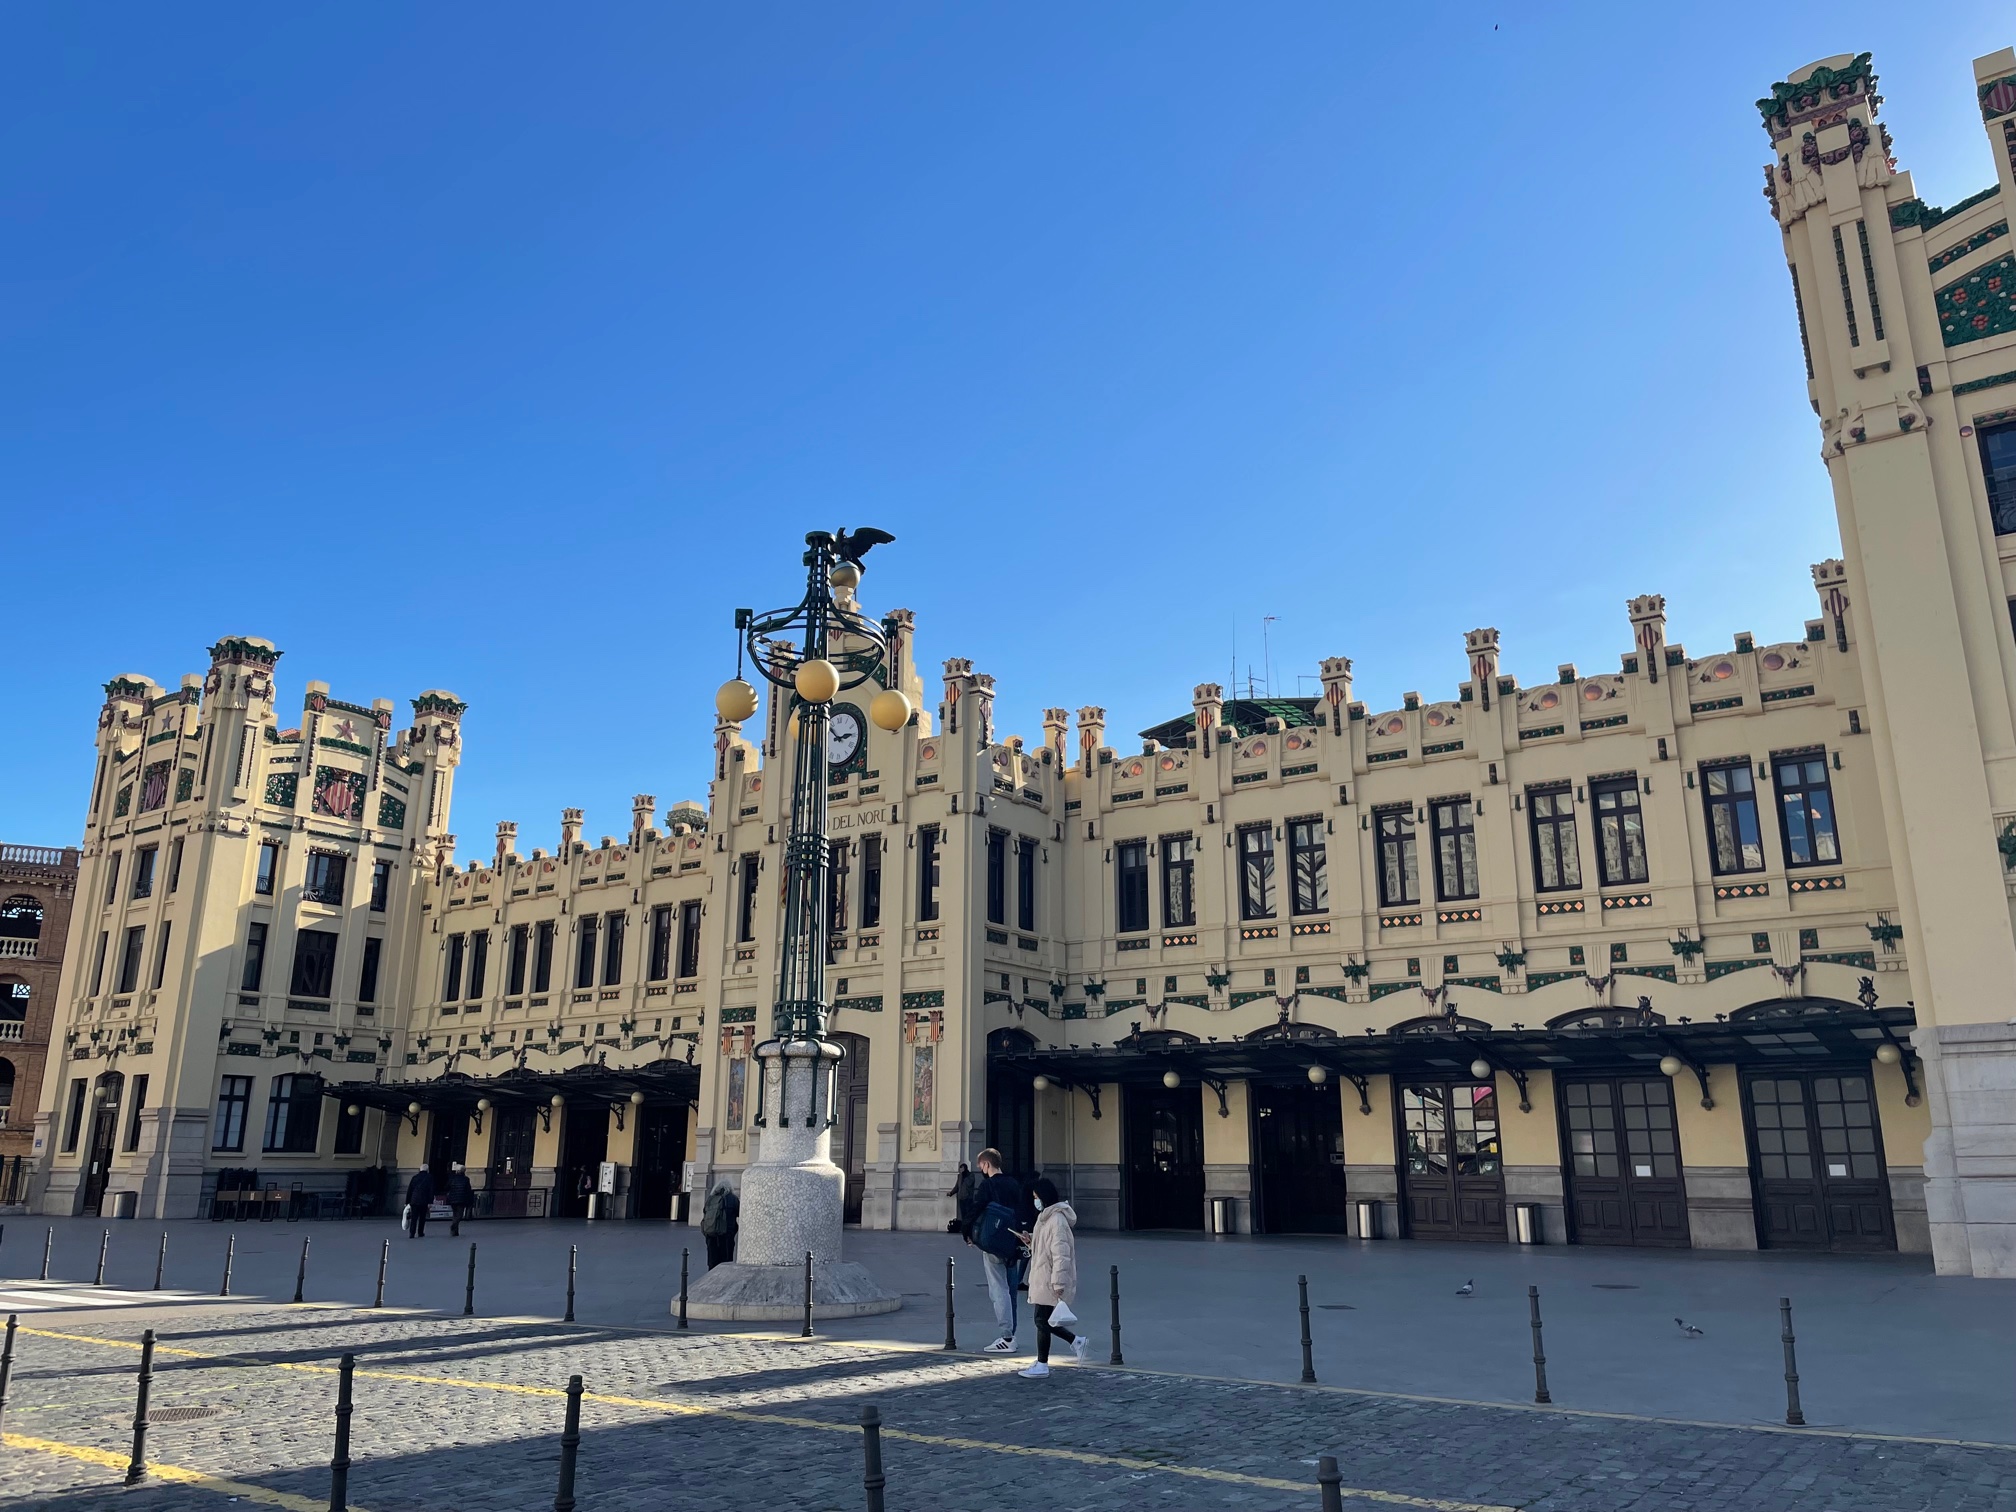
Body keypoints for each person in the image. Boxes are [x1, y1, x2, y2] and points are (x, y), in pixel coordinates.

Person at [1017, 1177, 1089, 1379]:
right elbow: (1045, 1249)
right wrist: (1030, 1240)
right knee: (1044, 1320)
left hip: (1048, 1278)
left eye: (1036, 1197)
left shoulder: (1056, 1220)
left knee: (1042, 1321)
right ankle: (1073, 1343)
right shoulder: (1045, 1218)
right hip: (1043, 1275)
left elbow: (1061, 1254)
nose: (1035, 1201)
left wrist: (1058, 1283)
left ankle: (1044, 1362)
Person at [963, 1148, 1024, 1353]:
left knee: (998, 1289)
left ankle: (1006, 1336)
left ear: (987, 1165)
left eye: (981, 1165)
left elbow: (976, 1208)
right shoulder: (1014, 1183)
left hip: (993, 1242)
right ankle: (1012, 1334)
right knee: (1011, 1289)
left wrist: (967, 1232)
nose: (980, 1169)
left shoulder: (988, 1185)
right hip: (1013, 1243)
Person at [700, 1180, 740, 1268]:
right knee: (726, 1259)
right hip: (726, 1233)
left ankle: (711, 1278)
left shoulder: (711, 1198)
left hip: (711, 1233)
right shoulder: (732, 1198)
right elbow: (739, 1212)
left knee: (712, 1259)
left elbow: (704, 1212)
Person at [445, 1162, 475, 1237]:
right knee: (459, 1215)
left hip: (452, 1198)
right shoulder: (466, 1179)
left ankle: (455, 1231)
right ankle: (454, 1226)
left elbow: (447, 1187)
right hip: (461, 1199)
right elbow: (468, 1190)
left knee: (455, 1214)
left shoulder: (452, 1178)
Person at [405, 1166, 435, 1239]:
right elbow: (431, 1190)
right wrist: (430, 1201)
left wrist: (407, 1201)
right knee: (422, 1217)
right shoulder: (429, 1177)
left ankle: (412, 1233)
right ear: (427, 1170)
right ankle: (420, 1232)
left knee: (414, 1218)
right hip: (424, 1200)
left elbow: (410, 1190)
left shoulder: (415, 1177)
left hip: (414, 1200)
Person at [946, 1163, 976, 1234]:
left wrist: (964, 1177)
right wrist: (951, 1193)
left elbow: (969, 1183)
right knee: (963, 1214)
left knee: (969, 1214)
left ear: (965, 1168)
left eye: (962, 1168)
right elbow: (957, 1187)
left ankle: (969, 1228)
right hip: (961, 1198)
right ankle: (964, 1228)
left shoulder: (971, 1175)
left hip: (968, 1198)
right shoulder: (959, 1176)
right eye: (960, 1169)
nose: (960, 1170)